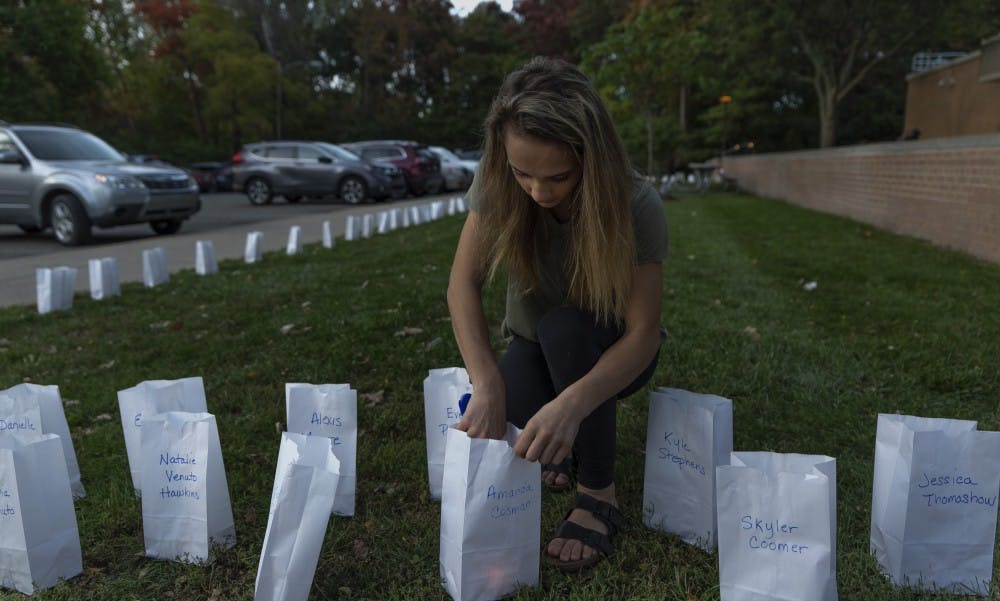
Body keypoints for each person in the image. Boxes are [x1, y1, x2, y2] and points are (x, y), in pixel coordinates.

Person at [446, 56, 669, 572]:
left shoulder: (636, 202)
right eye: (524, 174)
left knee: (564, 332)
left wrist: (573, 405)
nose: (539, 192)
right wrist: (487, 383)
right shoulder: (499, 182)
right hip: (532, 346)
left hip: (605, 349)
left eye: (559, 176)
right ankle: (563, 449)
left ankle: (598, 489)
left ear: (591, 156)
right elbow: (462, 284)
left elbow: (643, 334)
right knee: (518, 420)